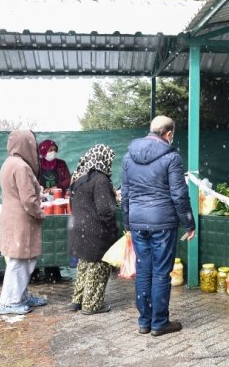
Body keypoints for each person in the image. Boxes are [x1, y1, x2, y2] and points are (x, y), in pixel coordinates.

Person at [121, 115, 195, 336]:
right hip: (162, 222)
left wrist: (127, 222)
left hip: (137, 222)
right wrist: (189, 223)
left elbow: (125, 193)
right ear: (169, 134)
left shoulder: (128, 157)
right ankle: (159, 322)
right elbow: (179, 195)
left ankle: (144, 321)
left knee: (144, 271)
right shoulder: (172, 158)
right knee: (161, 272)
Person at [0, 130, 48, 314]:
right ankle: (9, 302)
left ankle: (20, 295)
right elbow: (28, 200)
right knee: (20, 262)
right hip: (22, 220)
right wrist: (39, 213)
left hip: (13, 218)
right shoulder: (22, 167)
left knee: (20, 260)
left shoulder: (9, 163)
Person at [68, 144, 118, 315]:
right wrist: (112, 228)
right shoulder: (100, 179)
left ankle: (78, 300)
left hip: (79, 229)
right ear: (103, 159)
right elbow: (105, 210)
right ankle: (92, 304)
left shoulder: (80, 178)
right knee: (98, 268)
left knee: (84, 265)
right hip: (96, 232)